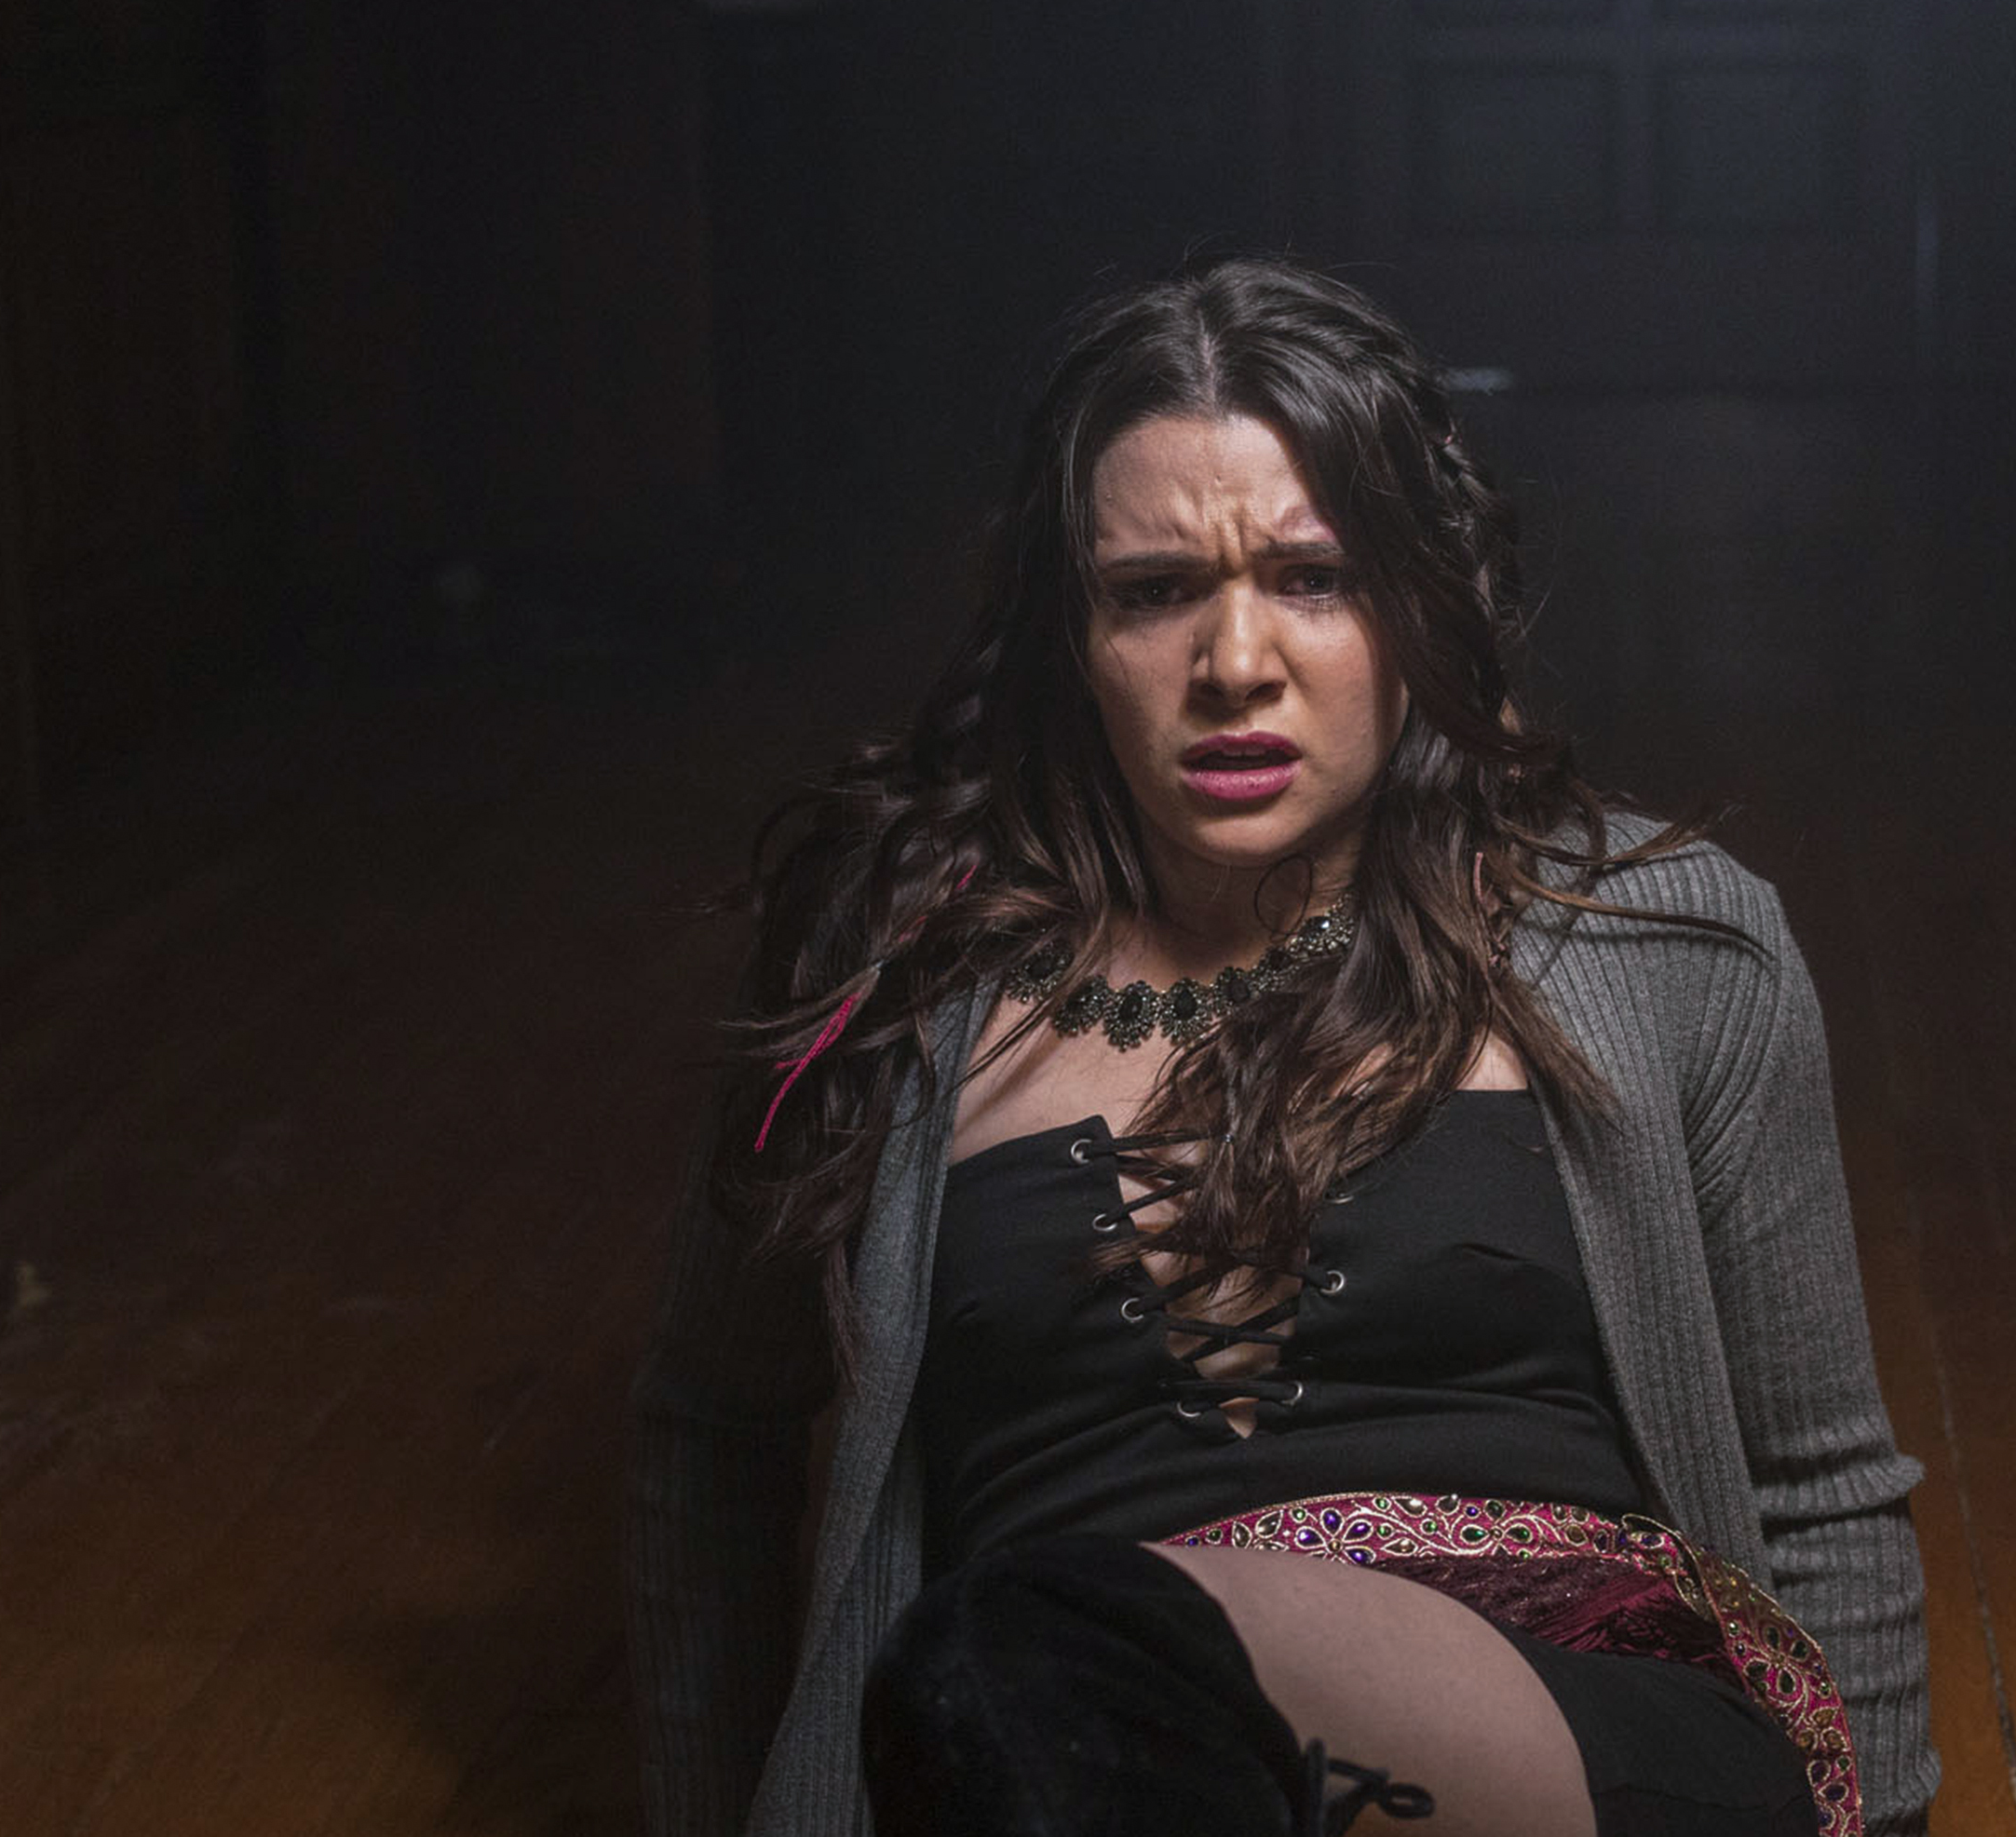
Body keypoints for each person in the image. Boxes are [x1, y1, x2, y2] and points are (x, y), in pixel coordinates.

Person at [627, 257, 1936, 1837]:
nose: (1235, 663)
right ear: (1069, 633)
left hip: (1570, 1742)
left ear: (1419, 604)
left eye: (1313, 578)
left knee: (1051, 1651)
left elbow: (1821, 1490)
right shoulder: (888, 977)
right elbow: (712, 1425)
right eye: (1153, 591)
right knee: (1047, 1688)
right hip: (1059, 1760)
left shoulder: (1667, 945)